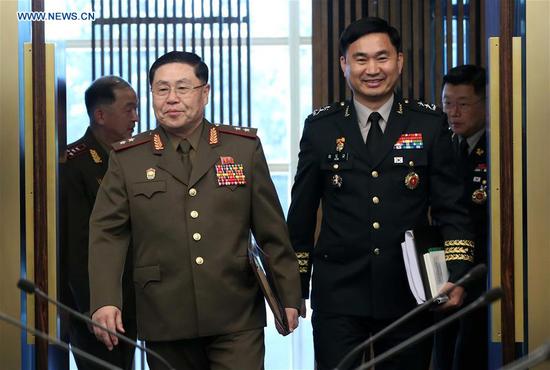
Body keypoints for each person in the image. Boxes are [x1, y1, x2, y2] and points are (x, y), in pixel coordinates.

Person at [88, 51, 301, 370]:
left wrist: (288, 295)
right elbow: (107, 233)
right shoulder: (129, 158)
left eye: (183, 88)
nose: (171, 98)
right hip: (164, 314)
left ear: (205, 93)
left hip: (235, 310)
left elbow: (271, 230)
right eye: (162, 89)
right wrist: (105, 300)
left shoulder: (242, 148)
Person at [287, 17, 475, 370]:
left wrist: (457, 273)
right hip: (338, 294)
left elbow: (452, 209)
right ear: (344, 64)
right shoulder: (321, 128)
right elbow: (300, 215)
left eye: (382, 58)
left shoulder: (429, 125)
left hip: (410, 292)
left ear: (399, 61)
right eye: (360, 59)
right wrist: (294, 287)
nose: (372, 69)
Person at [61, 76, 138, 370]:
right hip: (96, 306)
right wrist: (94, 307)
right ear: (101, 115)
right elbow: (77, 246)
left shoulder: (130, 158)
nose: (136, 117)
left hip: (132, 297)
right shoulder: (74, 163)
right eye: (128, 109)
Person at [434, 65, 489, 370]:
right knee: (443, 355)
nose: (453, 113)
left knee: (468, 358)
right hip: (443, 272)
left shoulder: (498, 150)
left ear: (484, 103)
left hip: (481, 273)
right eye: (447, 104)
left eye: (463, 104)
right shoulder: (441, 145)